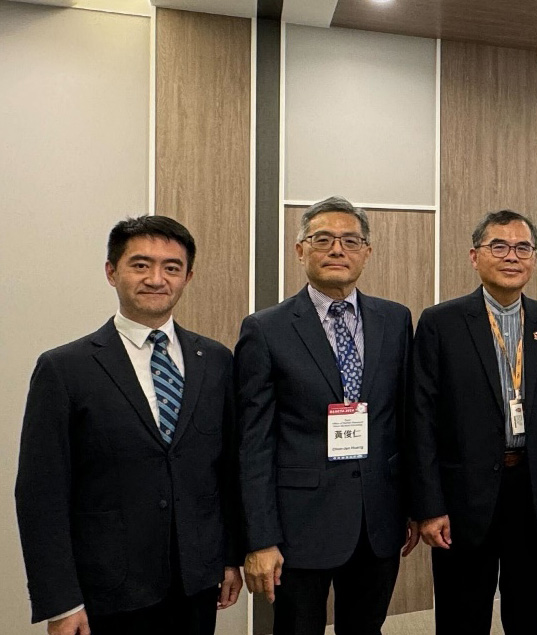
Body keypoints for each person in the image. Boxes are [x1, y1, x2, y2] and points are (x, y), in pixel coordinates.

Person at [16, 215, 243, 635]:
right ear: (111, 272)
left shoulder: (215, 360)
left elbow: (225, 471)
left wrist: (229, 557)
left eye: (171, 267)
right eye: (140, 265)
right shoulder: (65, 369)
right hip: (108, 588)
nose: (156, 278)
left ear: (187, 277)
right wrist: (62, 600)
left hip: (195, 581)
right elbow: (40, 495)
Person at [235, 197, 417, 634]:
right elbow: (253, 442)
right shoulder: (266, 328)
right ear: (300, 250)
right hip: (300, 524)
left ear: (366, 252)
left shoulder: (395, 320)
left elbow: (406, 423)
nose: (338, 249)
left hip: (378, 519)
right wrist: (260, 538)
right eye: (323, 239)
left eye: (350, 240)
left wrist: (413, 505)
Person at [412, 209, 537, 634]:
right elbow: (421, 419)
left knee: (528, 616)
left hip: (534, 492)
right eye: (499, 246)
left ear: (534, 257)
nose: (512, 256)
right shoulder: (441, 324)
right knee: (461, 615)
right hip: (462, 497)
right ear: (475, 256)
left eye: (523, 247)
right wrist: (429, 506)